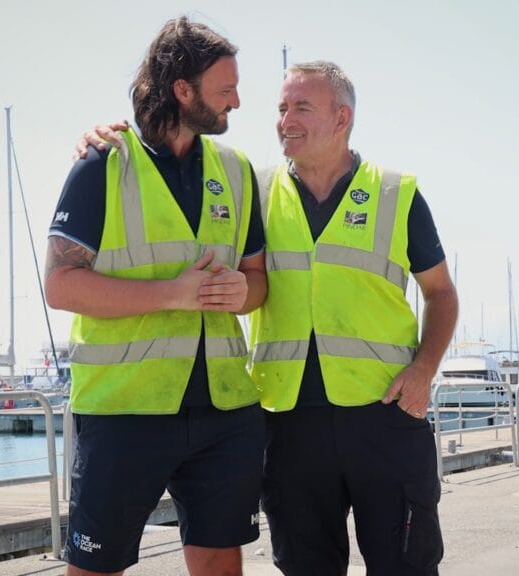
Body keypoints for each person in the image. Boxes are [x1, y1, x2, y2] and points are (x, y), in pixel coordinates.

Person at [80, 61, 457, 576]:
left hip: (386, 415)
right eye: (281, 108)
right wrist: (111, 134)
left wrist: (424, 370)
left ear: (342, 116)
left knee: (407, 568)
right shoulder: (251, 191)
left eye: (301, 107)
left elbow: (440, 293)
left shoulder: (397, 194)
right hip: (289, 425)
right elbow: (178, 161)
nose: (285, 120)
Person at [45, 17, 267, 576]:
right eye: (225, 90)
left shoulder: (237, 172)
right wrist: (174, 293)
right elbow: (60, 284)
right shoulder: (103, 164)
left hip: (223, 410)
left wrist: (243, 291)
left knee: (220, 560)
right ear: (182, 90)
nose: (237, 102)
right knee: (97, 567)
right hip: (124, 409)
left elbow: (257, 282)